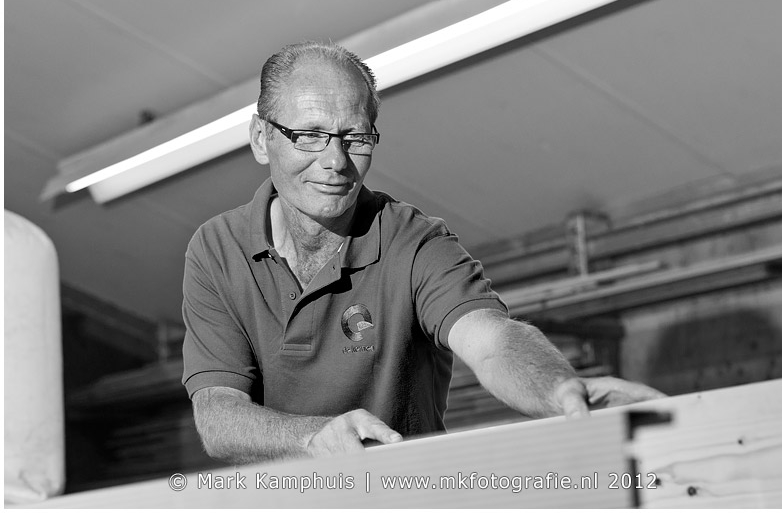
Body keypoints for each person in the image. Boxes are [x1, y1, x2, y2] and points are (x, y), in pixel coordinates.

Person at [181, 41, 664, 465]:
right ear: (261, 138)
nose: (335, 161)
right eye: (309, 135)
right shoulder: (217, 250)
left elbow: (492, 342)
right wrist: (312, 437)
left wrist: (559, 390)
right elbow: (218, 415)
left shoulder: (413, 242)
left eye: (355, 138)